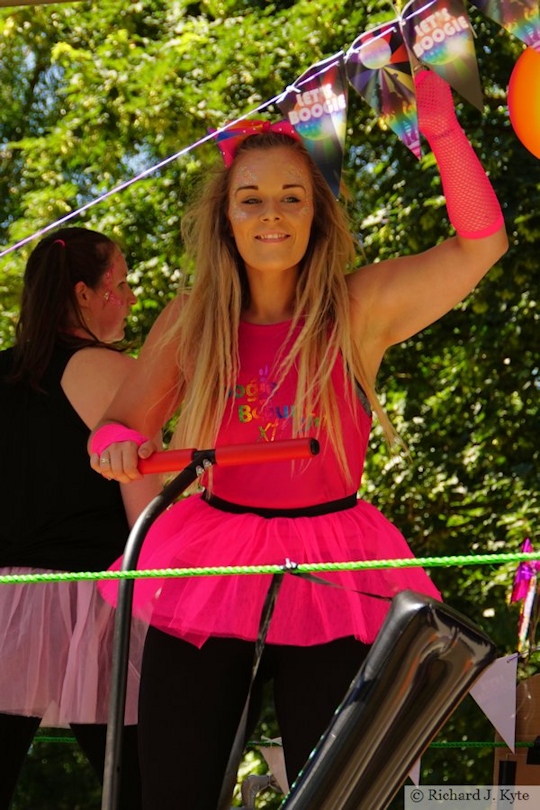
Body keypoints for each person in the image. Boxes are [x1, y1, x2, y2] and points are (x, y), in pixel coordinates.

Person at [90, 69, 508, 810]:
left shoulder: (356, 309)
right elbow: (122, 426)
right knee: (174, 787)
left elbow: (480, 246)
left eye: (292, 197)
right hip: (212, 560)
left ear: (318, 212)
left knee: (337, 793)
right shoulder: (192, 317)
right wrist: (117, 445)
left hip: (335, 564)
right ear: (226, 216)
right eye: (251, 200)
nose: (272, 215)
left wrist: (443, 134)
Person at [0, 227, 161, 809]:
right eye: (120, 284)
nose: (130, 298)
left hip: (3, 608)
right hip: (95, 605)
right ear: (84, 294)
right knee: (144, 789)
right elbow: (150, 517)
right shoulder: (109, 370)